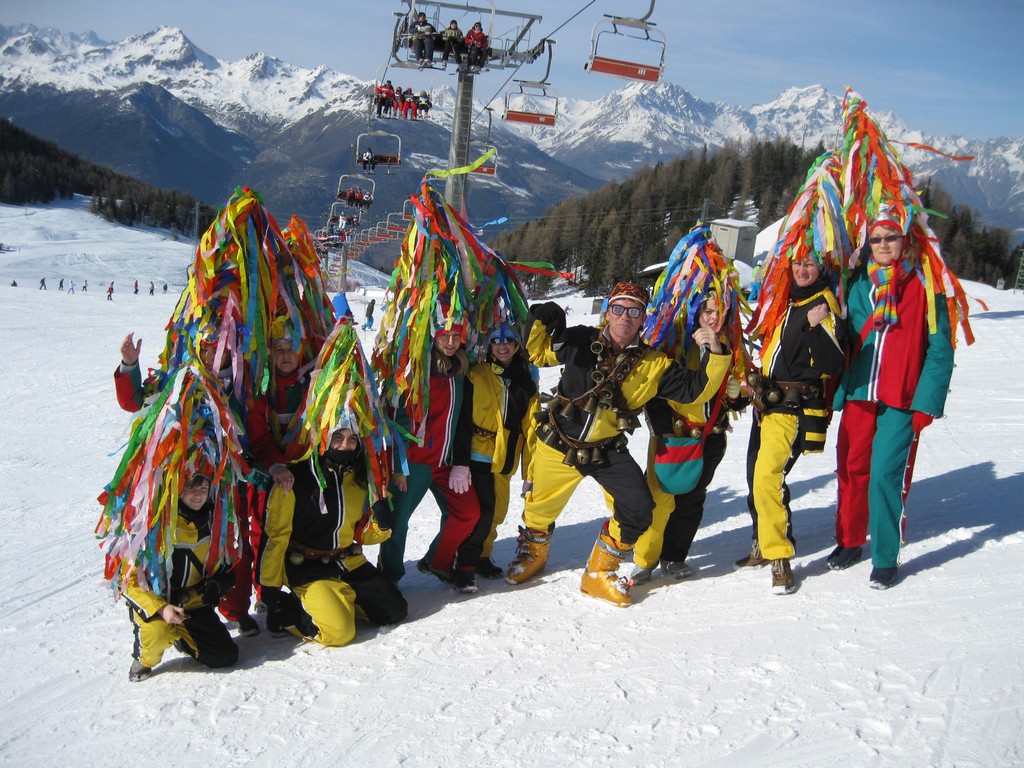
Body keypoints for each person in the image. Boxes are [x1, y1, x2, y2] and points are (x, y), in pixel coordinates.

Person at [506, 282, 730, 607]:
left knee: (638, 508)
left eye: (634, 310)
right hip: (559, 443)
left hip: (607, 450)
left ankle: (599, 572)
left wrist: (717, 354)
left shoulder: (654, 364)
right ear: (608, 312)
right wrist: (542, 317)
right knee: (539, 509)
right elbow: (538, 353)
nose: (625, 317)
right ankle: (533, 554)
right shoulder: (581, 339)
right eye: (619, 308)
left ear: (643, 319)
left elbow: (696, 391)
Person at [829, 209, 956, 588]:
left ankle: (884, 555)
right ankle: (850, 540)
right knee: (851, 471)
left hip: (900, 399)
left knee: (884, 475)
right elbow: (847, 343)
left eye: (891, 237)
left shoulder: (923, 285)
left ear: (906, 240)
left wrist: (926, 402)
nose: (884, 245)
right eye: (877, 239)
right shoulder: (856, 287)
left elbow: (939, 348)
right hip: (859, 394)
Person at [630, 272, 749, 585]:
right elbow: (654, 394)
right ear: (695, 311)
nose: (712, 317)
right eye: (706, 310)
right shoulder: (675, 345)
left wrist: (737, 399)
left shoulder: (731, 347)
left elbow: (736, 398)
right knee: (658, 497)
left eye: (718, 311)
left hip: (711, 437)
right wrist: (663, 431)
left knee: (692, 499)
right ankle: (645, 559)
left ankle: (674, 556)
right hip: (674, 437)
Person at [739, 253, 846, 594]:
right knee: (755, 477)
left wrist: (815, 326)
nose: (802, 270)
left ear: (821, 270)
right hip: (768, 405)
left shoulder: (823, 305)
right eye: (797, 263)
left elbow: (834, 362)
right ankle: (762, 540)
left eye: (810, 265)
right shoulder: (788, 301)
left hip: (793, 410)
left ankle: (779, 557)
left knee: (767, 478)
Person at [257, 425, 407, 645]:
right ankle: (287, 613)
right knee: (339, 633)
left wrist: (383, 526)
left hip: (347, 561)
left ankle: (337, 600)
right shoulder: (295, 476)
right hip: (306, 566)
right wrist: (269, 586)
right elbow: (275, 536)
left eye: (352, 439)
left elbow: (364, 535)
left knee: (395, 611)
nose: (345, 445)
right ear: (323, 437)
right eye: (337, 438)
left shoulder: (361, 476)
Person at [379, 322, 481, 590]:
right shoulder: (414, 369)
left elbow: (462, 420)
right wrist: (398, 465)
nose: (450, 342)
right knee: (397, 522)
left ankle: (438, 560)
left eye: (456, 336)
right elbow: (394, 419)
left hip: (446, 463)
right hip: (414, 462)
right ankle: (389, 577)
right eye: (444, 335)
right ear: (432, 335)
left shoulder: (461, 369)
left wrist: (460, 462)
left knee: (467, 513)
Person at [123, 472, 238, 682]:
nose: (198, 495)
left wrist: (218, 584)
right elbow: (129, 583)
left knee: (225, 656)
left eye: (203, 489)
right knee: (158, 633)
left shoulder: (215, 520)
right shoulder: (155, 523)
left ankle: (182, 637)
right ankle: (143, 659)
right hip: (159, 604)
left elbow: (226, 567)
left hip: (192, 602)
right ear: (178, 489)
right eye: (192, 488)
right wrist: (161, 608)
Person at [458, 325, 538, 587]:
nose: (502, 346)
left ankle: (481, 555)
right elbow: (461, 415)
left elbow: (531, 431)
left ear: (516, 346)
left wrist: (530, 473)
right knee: (481, 510)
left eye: (508, 341)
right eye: (496, 341)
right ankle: (465, 560)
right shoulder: (476, 374)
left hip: (505, 457)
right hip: (475, 452)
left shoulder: (526, 382)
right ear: (489, 346)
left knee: (497, 512)